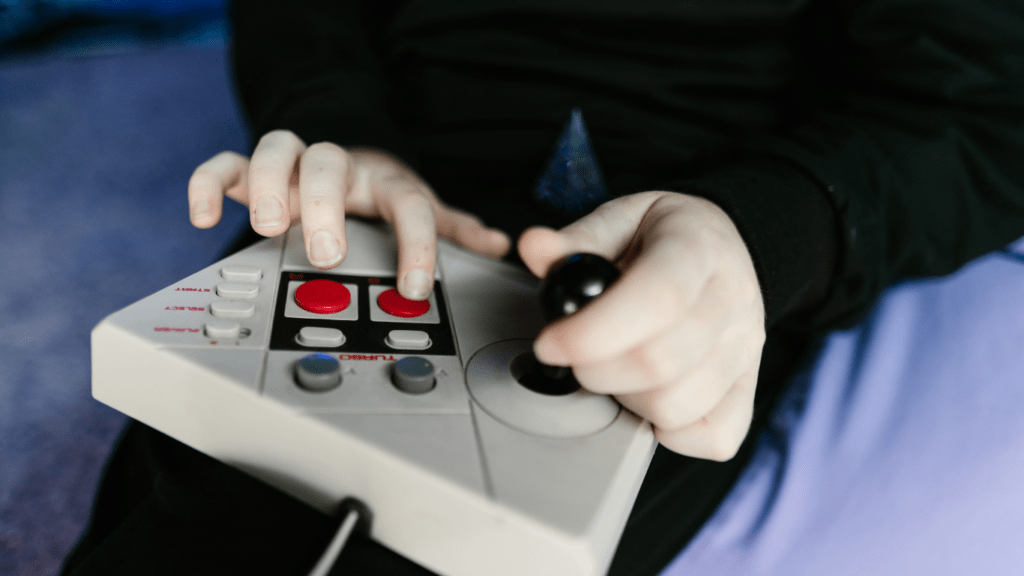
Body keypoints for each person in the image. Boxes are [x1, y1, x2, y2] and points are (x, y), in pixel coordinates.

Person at [64, 0, 1024, 575]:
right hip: (384, 198)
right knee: (201, 491)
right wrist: (343, 131)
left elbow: (974, 105)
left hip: (689, 227)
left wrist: (765, 236)